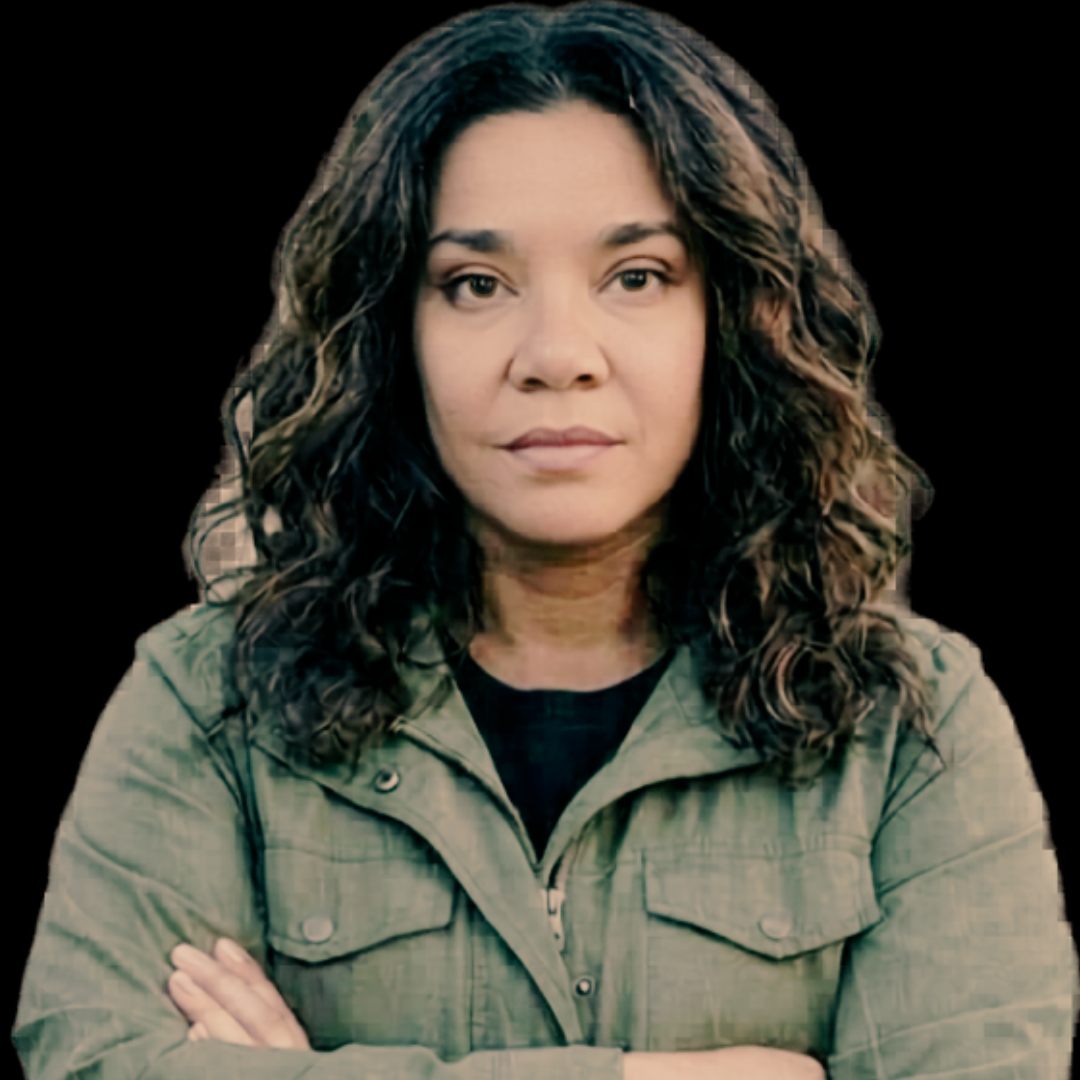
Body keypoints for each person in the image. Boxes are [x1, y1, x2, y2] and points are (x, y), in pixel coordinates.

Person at [13, 2, 1076, 1077]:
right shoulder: (214, 702)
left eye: (637, 277)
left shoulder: (906, 727)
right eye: (476, 285)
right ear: (394, 330)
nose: (558, 353)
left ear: (735, 316)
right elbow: (98, 1061)